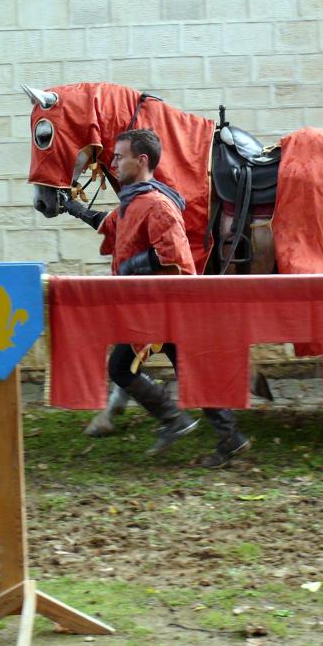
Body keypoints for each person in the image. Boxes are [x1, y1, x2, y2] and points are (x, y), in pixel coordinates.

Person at [62, 129, 252, 469]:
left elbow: (174, 258)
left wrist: (131, 268)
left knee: (121, 367)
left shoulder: (158, 205)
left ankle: (176, 420)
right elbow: (112, 224)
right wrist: (73, 208)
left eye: (120, 157)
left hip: (161, 308)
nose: (115, 163)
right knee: (189, 371)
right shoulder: (135, 201)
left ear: (142, 160)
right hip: (149, 307)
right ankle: (228, 437)